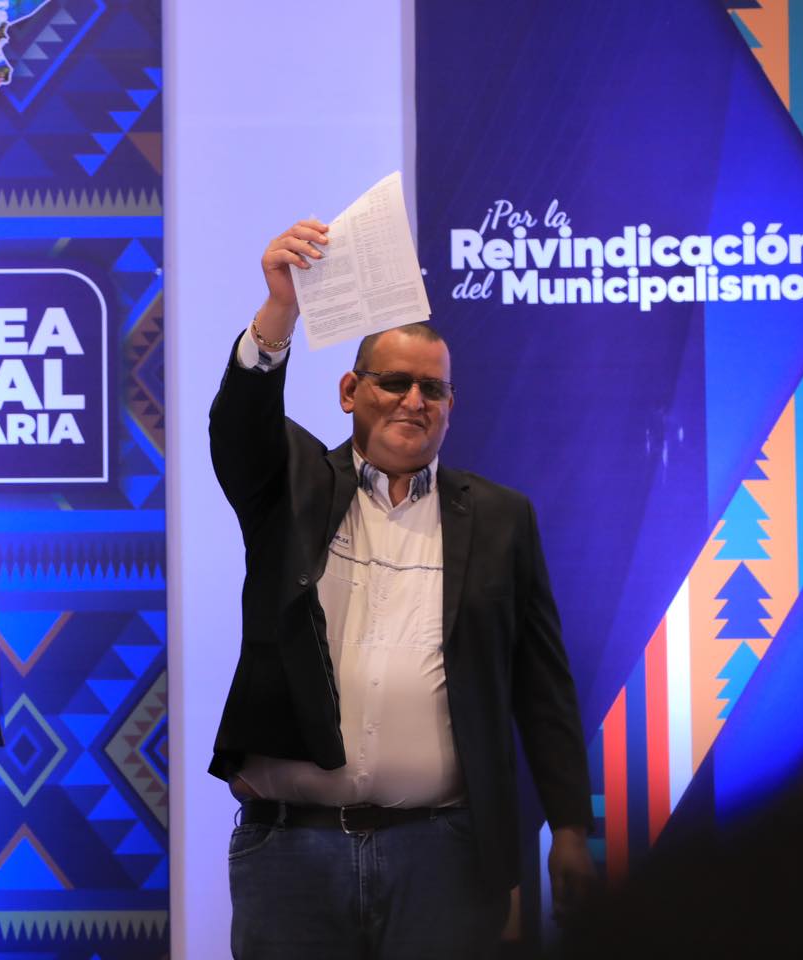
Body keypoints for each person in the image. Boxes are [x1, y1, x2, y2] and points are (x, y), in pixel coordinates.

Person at [209, 220, 595, 958]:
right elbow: (239, 425)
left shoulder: (500, 516)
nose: (415, 401)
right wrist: (279, 310)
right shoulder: (286, 484)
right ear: (351, 390)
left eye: (434, 388)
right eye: (395, 382)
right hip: (292, 853)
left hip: (443, 855)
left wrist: (570, 827)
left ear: (451, 404)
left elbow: (541, 685)